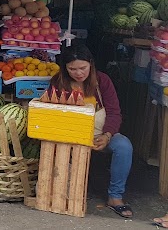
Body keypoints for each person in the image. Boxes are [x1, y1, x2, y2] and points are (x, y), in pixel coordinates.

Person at [49, 44, 133, 219]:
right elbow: (51, 113)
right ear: (65, 68)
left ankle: (115, 196)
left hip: (99, 135)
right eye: (72, 69)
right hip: (69, 135)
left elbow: (114, 112)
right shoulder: (58, 82)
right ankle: (66, 191)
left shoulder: (102, 81)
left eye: (83, 68)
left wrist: (107, 135)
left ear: (91, 64)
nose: (78, 73)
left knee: (124, 146)